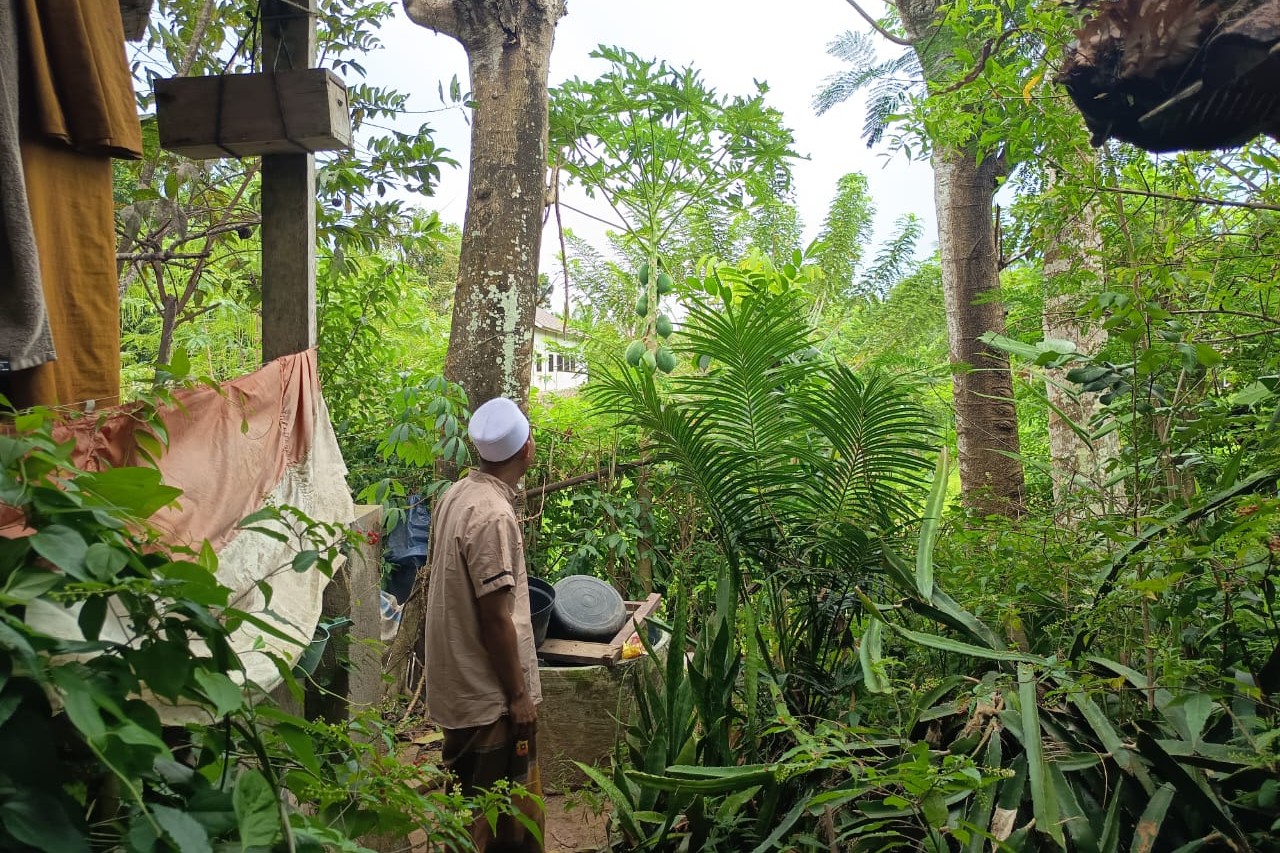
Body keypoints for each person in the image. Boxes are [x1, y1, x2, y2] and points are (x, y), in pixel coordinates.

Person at [425, 397, 543, 853]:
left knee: (467, 810)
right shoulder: (493, 515)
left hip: (459, 689)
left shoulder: (458, 494)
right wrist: (518, 697)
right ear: (527, 449)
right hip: (488, 699)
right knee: (501, 827)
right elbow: (495, 619)